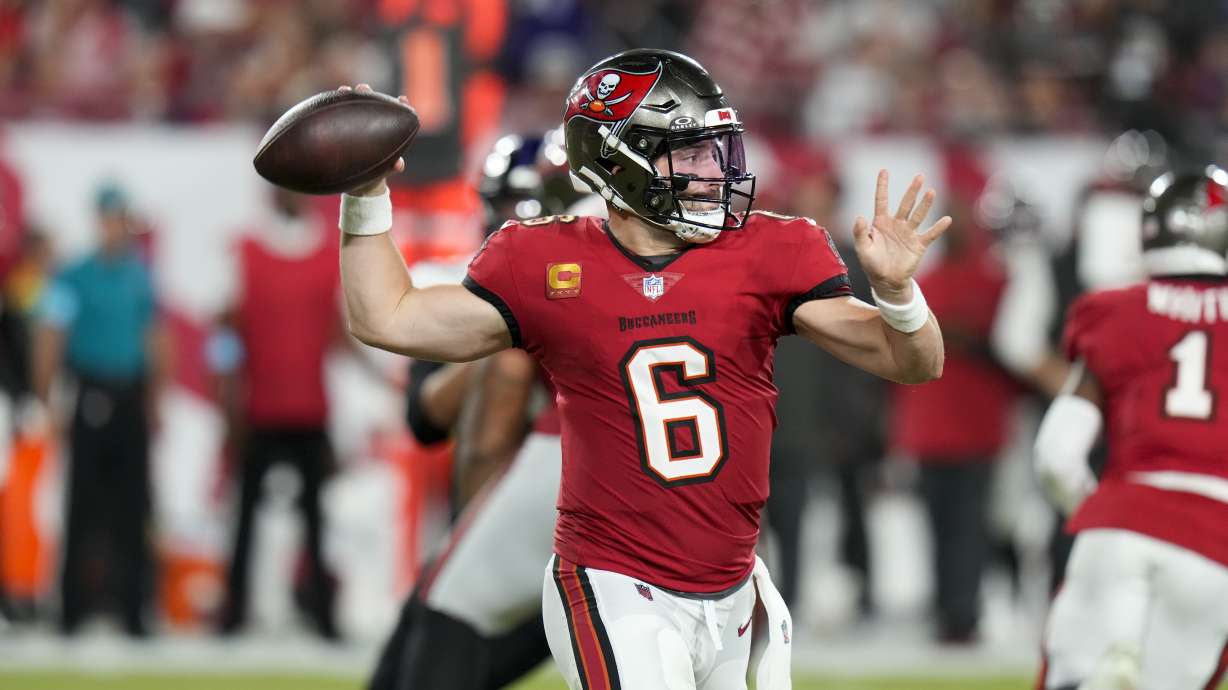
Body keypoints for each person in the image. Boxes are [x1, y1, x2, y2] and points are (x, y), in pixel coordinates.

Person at [337, 48, 948, 689]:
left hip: (732, 589)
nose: (714, 172)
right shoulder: (544, 261)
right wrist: (365, 193)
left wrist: (898, 295)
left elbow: (914, 361)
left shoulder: (771, 249)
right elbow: (389, 318)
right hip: (612, 581)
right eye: (689, 154)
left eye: (716, 151)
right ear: (618, 162)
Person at [1035, 167, 1228, 690]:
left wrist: (1107, 518)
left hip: (1121, 522)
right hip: (1214, 542)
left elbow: (1056, 456)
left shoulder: (1115, 311)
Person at [33, 182, 167, 638]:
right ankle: (72, 610)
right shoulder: (73, 275)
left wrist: (156, 398)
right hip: (90, 392)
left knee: (133, 505)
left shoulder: (139, 275)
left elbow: (154, 336)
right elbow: (51, 336)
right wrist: (47, 396)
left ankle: (133, 610)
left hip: (129, 394)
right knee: (83, 504)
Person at [214, 186, 341, 640]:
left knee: (316, 519)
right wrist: (228, 401)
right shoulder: (246, 250)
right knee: (245, 516)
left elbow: (340, 334)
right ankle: (234, 612)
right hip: (260, 408)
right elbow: (226, 333)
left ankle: (322, 614)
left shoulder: (328, 252)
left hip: (310, 407)